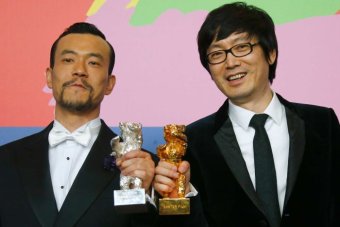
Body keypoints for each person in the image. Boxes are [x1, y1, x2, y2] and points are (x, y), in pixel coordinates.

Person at [153, 2, 340, 227]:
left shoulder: (322, 123)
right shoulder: (193, 140)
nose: (231, 62)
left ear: (271, 54)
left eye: (242, 47)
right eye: (216, 54)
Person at [0, 22, 157, 227]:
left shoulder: (144, 167)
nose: (79, 70)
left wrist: (148, 193)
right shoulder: (5, 161)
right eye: (68, 60)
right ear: (49, 76)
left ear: (110, 83)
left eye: (93, 63)